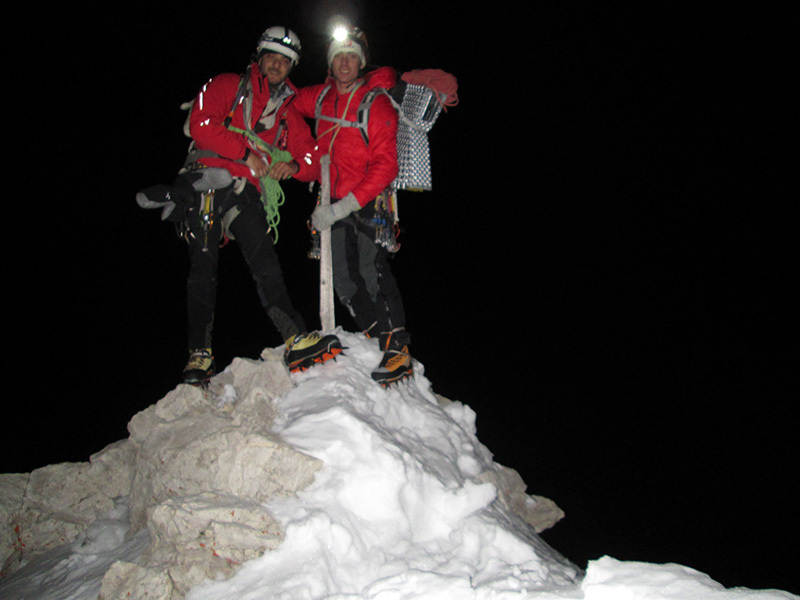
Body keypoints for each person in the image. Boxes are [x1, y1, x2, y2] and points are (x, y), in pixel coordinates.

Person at [137, 26, 342, 386]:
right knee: (203, 267)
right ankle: (199, 355)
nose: (277, 65)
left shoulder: (286, 113)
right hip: (208, 178)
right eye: (272, 58)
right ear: (259, 59)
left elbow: (313, 154)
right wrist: (246, 153)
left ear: (290, 67)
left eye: (284, 61)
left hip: (242, 189)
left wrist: (294, 166)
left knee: (264, 258)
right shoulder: (227, 85)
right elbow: (201, 125)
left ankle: (294, 338)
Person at [293, 25, 411, 386]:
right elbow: (287, 101)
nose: (345, 63)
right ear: (331, 62)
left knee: (373, 269)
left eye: (352, 56)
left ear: (361, 62)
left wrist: (345, 205)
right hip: (332, 199)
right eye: (338, 56)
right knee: (344, 282)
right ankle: (377, 337)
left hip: (368, 199)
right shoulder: (321, 98)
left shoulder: (376, 103)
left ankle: (398, 351)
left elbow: (386, 164)